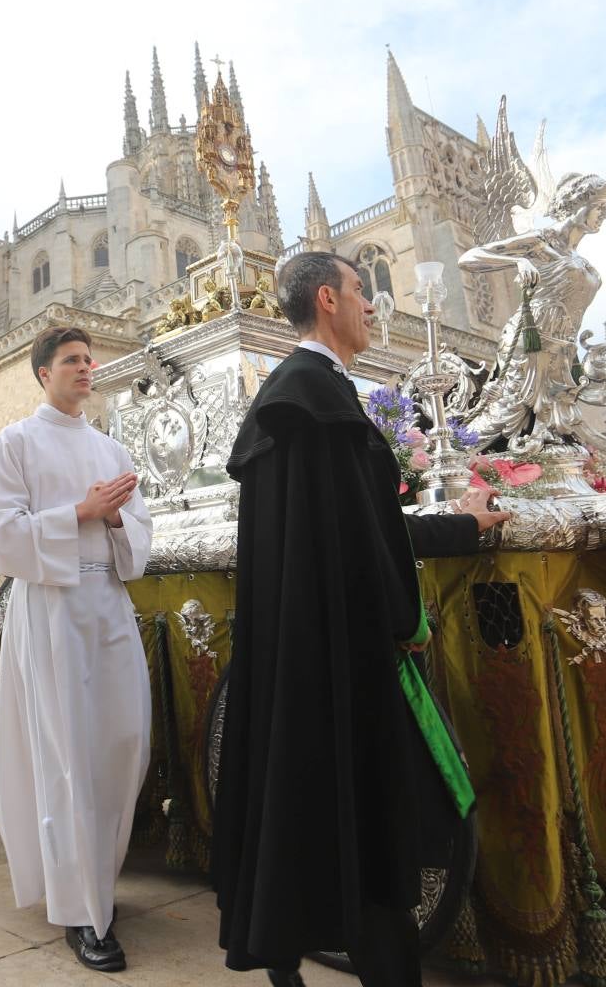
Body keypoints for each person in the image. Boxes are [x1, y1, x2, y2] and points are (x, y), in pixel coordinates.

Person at [212, 250, 506, 987]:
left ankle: (290, 959)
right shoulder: (317, 402)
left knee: (311, 808)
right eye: (361, 291)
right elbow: (369, 545)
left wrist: (460, 526)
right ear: (327, 301)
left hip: (310, 651)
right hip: (344, 659)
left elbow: (357, 530)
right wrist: (416, 602)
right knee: (366, 820)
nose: (374, 305)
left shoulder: (303, 398)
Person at [0, 329, 152, 971]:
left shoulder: (111, 445)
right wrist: (78, 511)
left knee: (122, 743)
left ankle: (96, 880)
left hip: (107, 602)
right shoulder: (16, 442)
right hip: (51, 608)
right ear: (42, 373)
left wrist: (112, 519)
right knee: (67, 752)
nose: (86, 368)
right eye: (72, 361)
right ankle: (82, 913)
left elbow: (141, 533)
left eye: (88, 359)